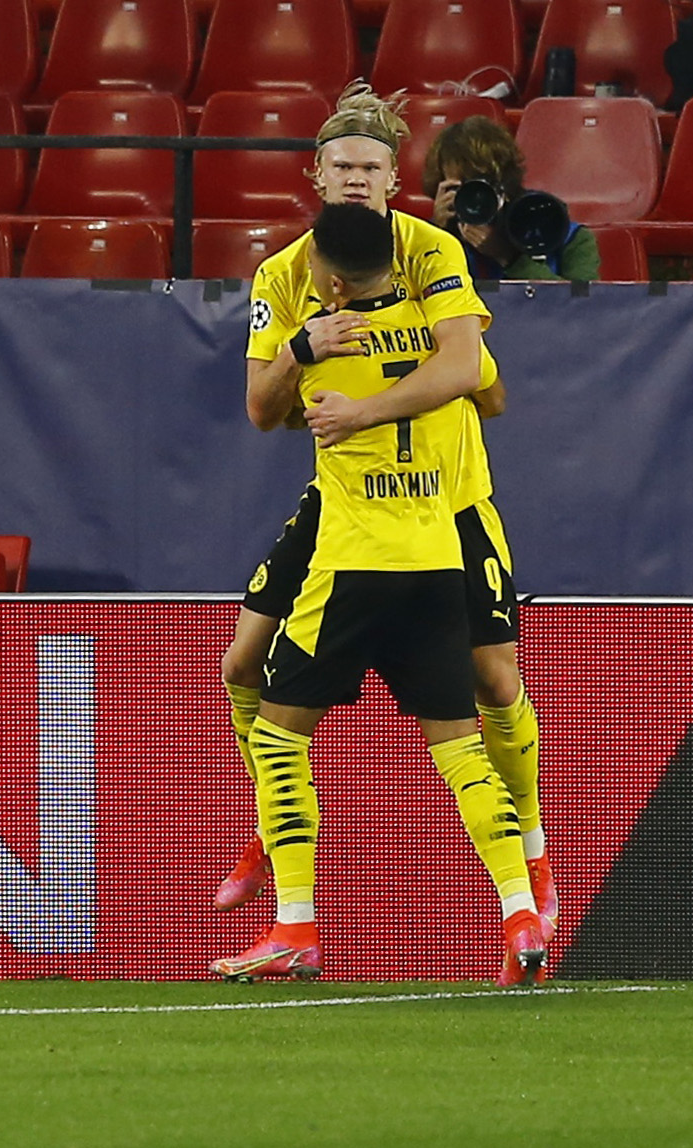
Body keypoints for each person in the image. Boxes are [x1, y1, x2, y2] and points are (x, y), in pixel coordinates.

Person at [216, 82, 556, 984]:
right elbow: (261, 409)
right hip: (353, 505)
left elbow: (474, 373)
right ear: (316, 175)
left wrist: (357, 403)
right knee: (240, 665)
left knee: (495, 678)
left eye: (372, 167)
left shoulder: (433, 251)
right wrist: (302, 355)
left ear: (394, 177)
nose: (359, 179)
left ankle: (533, 850)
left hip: (448, 503)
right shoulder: (283, 275)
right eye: (344, 167)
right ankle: (274, 832)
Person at [425, 115, 601, 283]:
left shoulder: (568, 237)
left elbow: (582, 308)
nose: (477, 197)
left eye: (484, 184)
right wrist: (433, 236)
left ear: (505, 182)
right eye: (463, 188)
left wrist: (509, 258)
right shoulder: (422, 240)